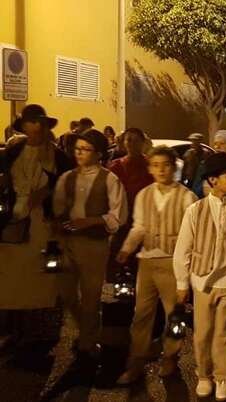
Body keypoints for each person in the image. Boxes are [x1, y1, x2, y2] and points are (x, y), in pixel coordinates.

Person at [173, 152, 226, 400]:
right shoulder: (196, 210)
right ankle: (203, 375)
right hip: (202, 281)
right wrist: (182, 282)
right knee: (203, 332)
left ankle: (222, 377)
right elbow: (183, 247)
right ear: (212, 180)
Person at [114, 146, 198, 384]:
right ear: (150, 168)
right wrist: (126, 249)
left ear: (174, 167)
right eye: (156, 165)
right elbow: (139, 227)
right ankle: (136, 361)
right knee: (141, 314)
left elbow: (192, 233)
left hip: (173, 262)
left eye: (166, 165)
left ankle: (171, 356)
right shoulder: (144, 195)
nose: (161, 170)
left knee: (174, 315)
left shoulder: (187, 197)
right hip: (147, 261)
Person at [53, 129, 128, 375]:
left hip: (94, 244)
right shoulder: (67, 178)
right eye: (77, 149)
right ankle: (86, 332)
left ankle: (87, 344)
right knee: (65, 293)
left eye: (85, 149)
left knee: (91, 297)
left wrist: (92, 221)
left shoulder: (109, 180)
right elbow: (58, 208)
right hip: (68, 242)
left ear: (98, 153)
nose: (79, 154)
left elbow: (118, 216)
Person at [0, 105, 72, 345]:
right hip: (14, 225)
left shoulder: (58, 157)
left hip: (44, 223)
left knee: (41, 281)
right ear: (24, 126)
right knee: (12, 280)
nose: (37, 127)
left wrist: (49, 195)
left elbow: (68, 188)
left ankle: (39, 335)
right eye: (32, 122)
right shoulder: (13, 152)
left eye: (41, 122)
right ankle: (14, 331)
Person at [192, 130, 226, 198]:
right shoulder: (205, 165)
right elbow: (196, 190)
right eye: (215, 144)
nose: (217, 147)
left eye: (222, 143)